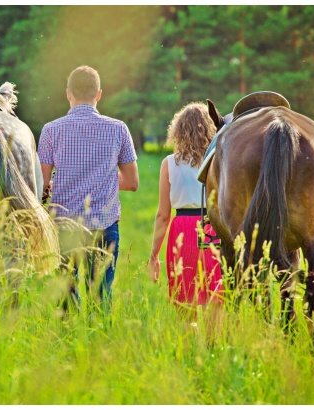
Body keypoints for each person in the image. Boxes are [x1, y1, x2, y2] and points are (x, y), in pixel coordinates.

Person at [37, 65, 139, 313]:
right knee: (101, 298)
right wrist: (102, 176)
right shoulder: (118, 129)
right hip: (104, 226)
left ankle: (68, 347)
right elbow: (132, 182)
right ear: (99, 94)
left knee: (66, 299)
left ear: (68, 93)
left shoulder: (51, 130)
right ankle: (98, 348)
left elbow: (41, 187)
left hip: (63, 227)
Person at [148, 101, 224, 323]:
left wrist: (154, 254)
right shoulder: (218, 159)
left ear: (178, 130)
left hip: (182, 230)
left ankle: (189, 349)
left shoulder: (169, 163)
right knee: (216, 297)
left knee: (185, 298)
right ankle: (214, 350)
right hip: (213, 227)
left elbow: (163, 215)